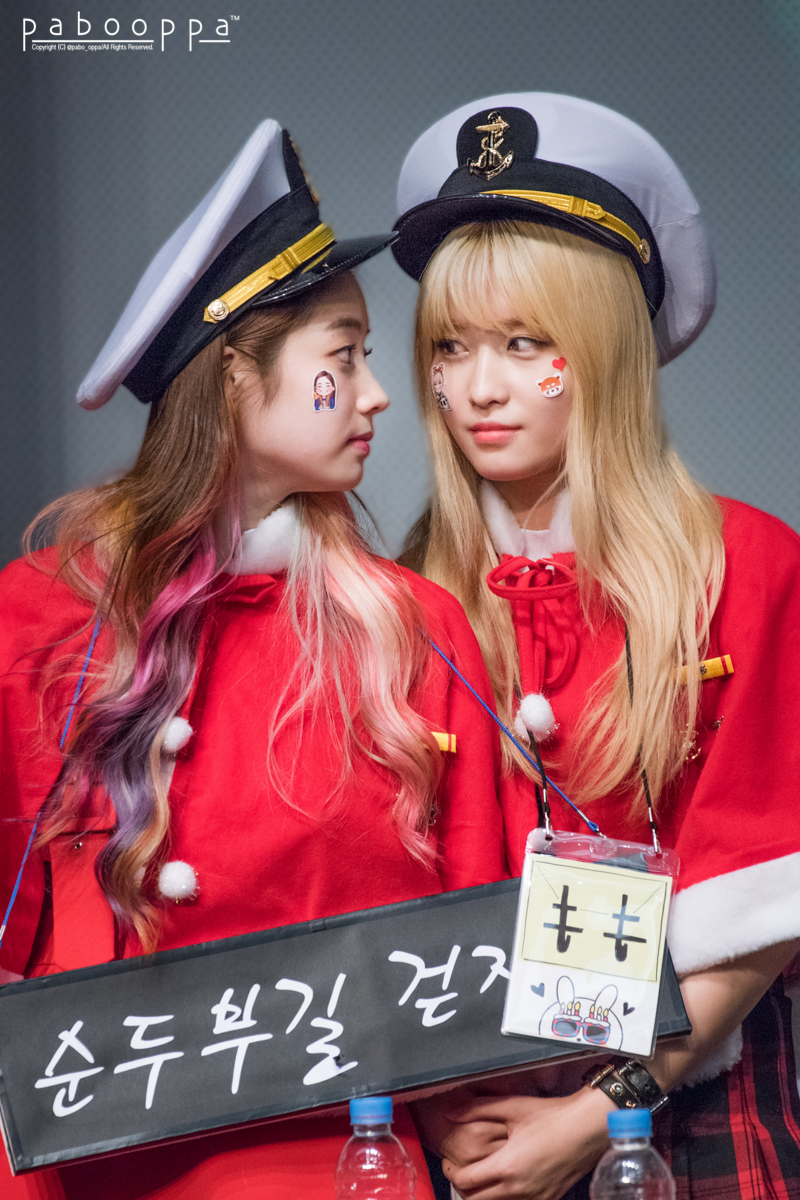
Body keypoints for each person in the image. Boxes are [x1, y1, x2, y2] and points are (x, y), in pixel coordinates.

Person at [0, 120, 507, 1200]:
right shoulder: (38, 616)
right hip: (81, 1167)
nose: (376, 393)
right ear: (234, 375)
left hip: (340, 1167)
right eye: (342, 357)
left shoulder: (414, 628)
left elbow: (479, 942)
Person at [392, 93, 800, 1199]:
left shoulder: (743, 568)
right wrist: (439, 1116)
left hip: (694, 1101)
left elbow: (759, 909)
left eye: (526, 344)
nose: (480, 387)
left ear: (607, 351)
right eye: (450, 347)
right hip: (465, 1119)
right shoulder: (398, 600)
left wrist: (594, 1113)